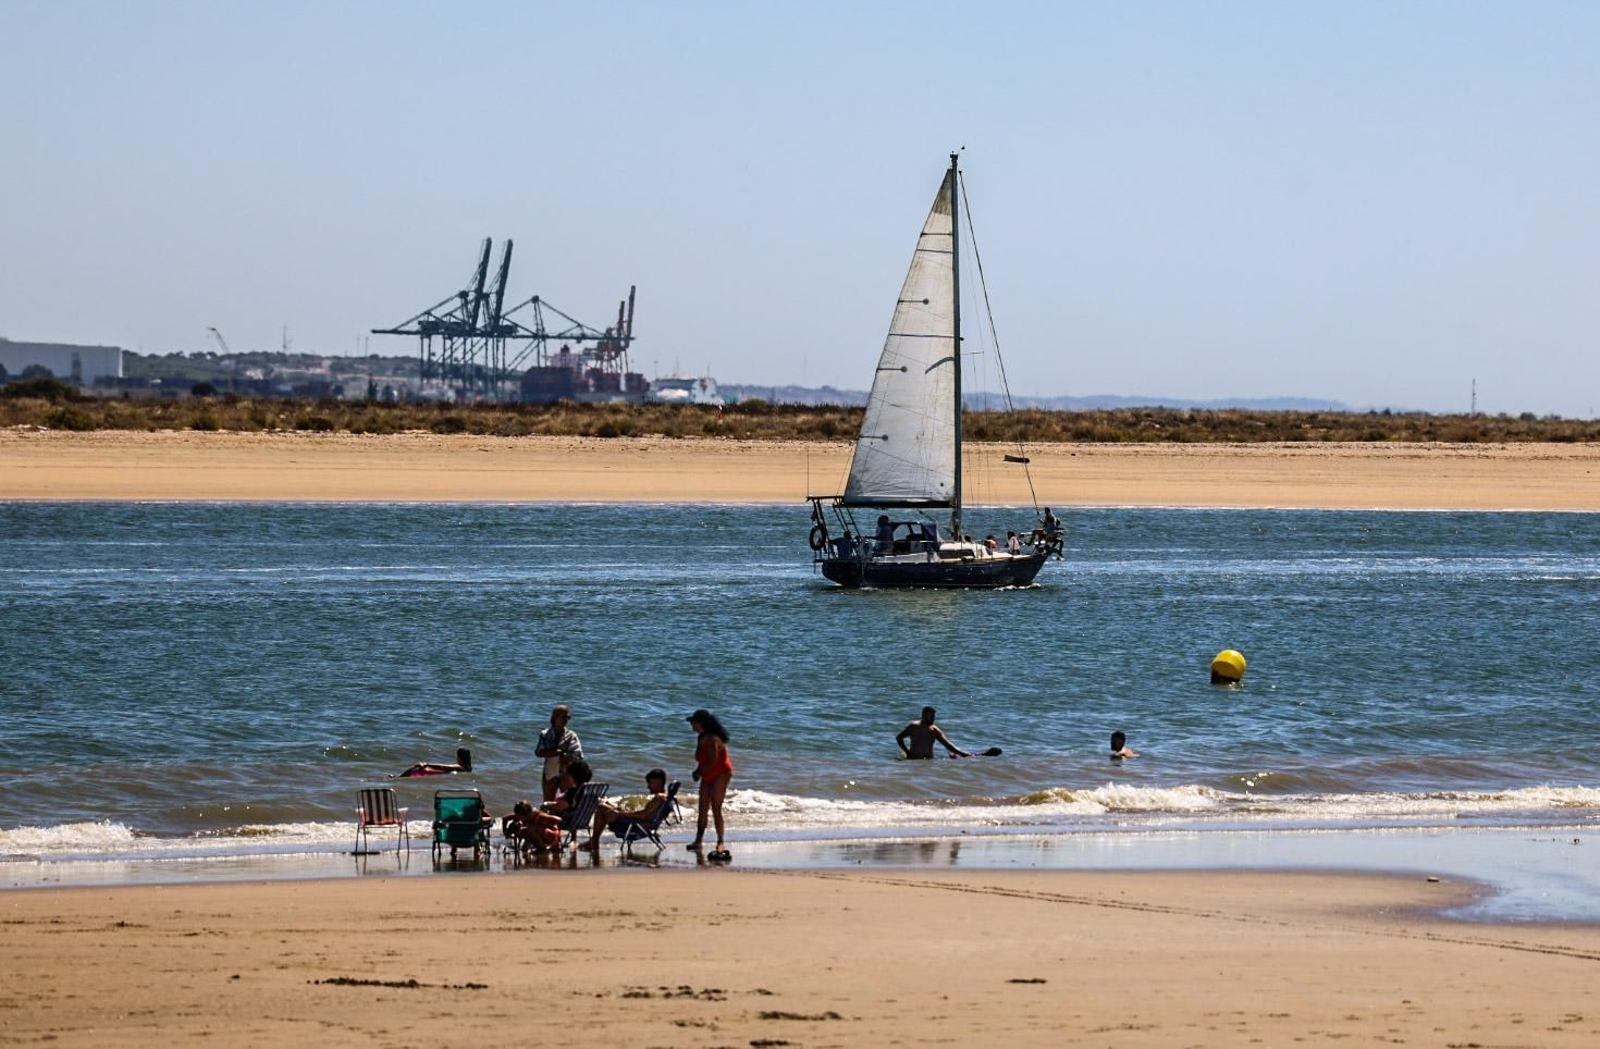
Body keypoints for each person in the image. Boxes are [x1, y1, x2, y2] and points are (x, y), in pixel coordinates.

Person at [580, 768, 670, 851]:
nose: (648, 787)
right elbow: (644, 815)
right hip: (641, 825)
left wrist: (619, 813)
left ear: (659, 782)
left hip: (635, 827)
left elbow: (643, 815)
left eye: (651, 783)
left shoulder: (659, 797)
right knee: (605, 805)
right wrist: (619, 811)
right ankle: (593, 841)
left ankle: (594, 842)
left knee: (601, 808)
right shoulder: (665, 798)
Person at [686, 709, 732, 859]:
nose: (691, 725)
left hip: (721, 773)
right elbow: (703, 761)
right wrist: (697, 771)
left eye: (693, 722)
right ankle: (698, 841)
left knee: (716, 807)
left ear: (700, 723)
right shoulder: (701, 737)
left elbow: (713, 761)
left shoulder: (713, 739)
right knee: (702, 807)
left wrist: (699, 773)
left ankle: (721, 842)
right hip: (708, 773)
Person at [535, 705, 583, 803]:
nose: (566, 720)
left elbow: (578, 756)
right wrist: (558, 752)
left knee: (566, 801)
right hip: (550, 771)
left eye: (568, 717)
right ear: (555, 717)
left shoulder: (571, 735)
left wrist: (558, 754)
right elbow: (538, 752)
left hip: (566, 773)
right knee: (548, 802)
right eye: (564, 717)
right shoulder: (545, 734)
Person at [897, 707, 969, 759]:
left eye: (934, 717)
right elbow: (899, 737)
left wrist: (961, 753)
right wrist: (907, 752)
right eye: (931, 717)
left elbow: (947, 744)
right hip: (914, 759)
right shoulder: (913, 727)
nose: (933, 719)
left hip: (929, 761)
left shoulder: (934, 730)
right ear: (924, 716)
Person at [396, 747, 472, 778]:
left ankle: (398, 778)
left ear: (459, 758)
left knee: (417, 768)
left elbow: (444, 767)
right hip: (440, 775)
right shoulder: (468, 768)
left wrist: (427, 764)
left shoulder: (460, 767)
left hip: (427, 773)